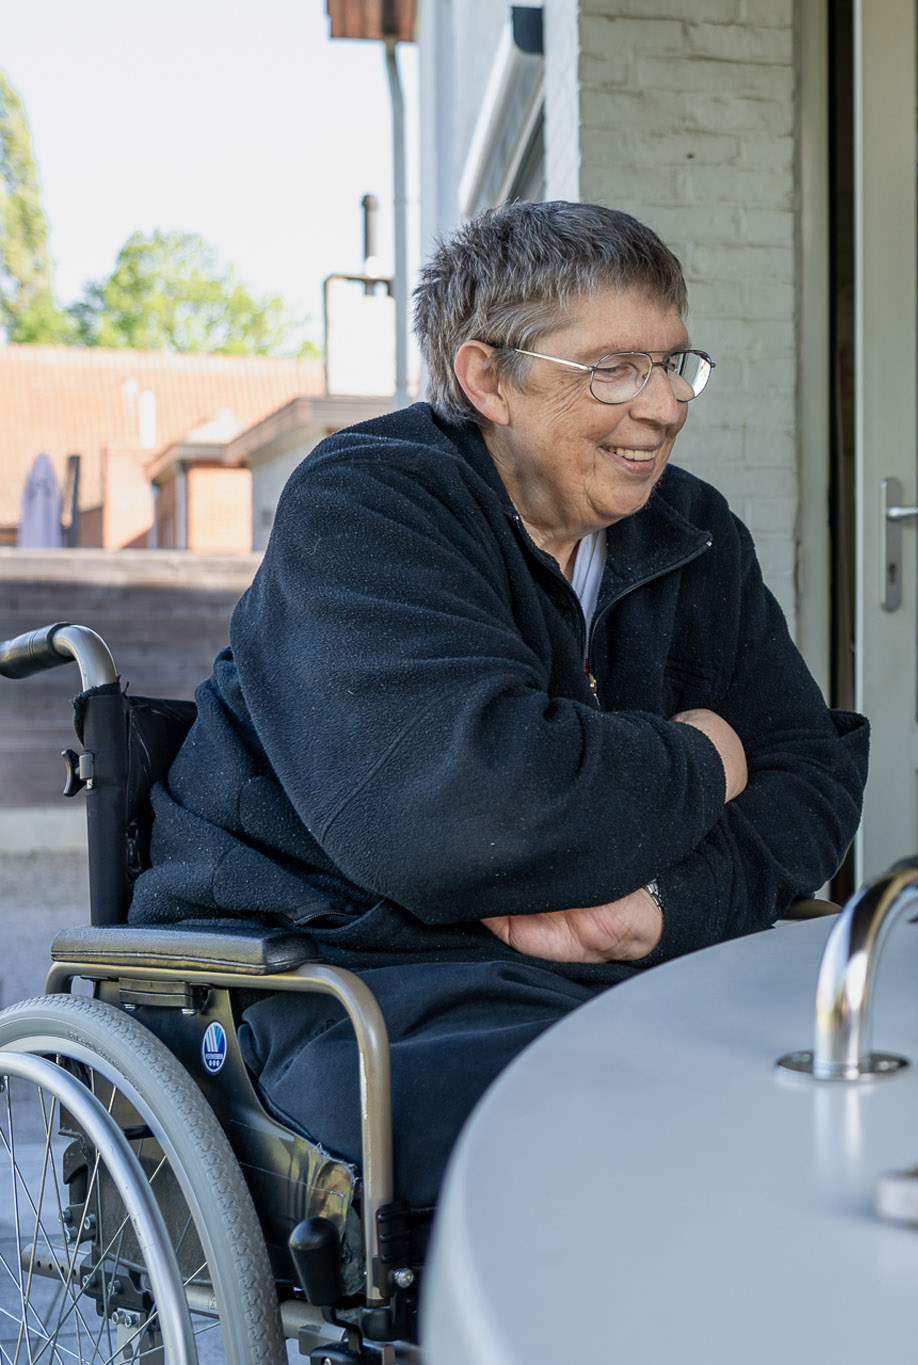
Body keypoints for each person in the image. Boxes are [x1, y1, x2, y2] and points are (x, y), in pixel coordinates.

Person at [133, 200, 869, 1207]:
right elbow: (470, 819)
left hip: (616, 974)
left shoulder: (695, 534)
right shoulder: (369, 506)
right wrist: (707, 758)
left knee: (864, 1085)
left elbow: (815, 774)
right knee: (627, 1130)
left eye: (673, 364)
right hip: (340, 972)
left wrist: (664, 909)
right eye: (614, 368)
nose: (664, 407)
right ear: (489, 379)